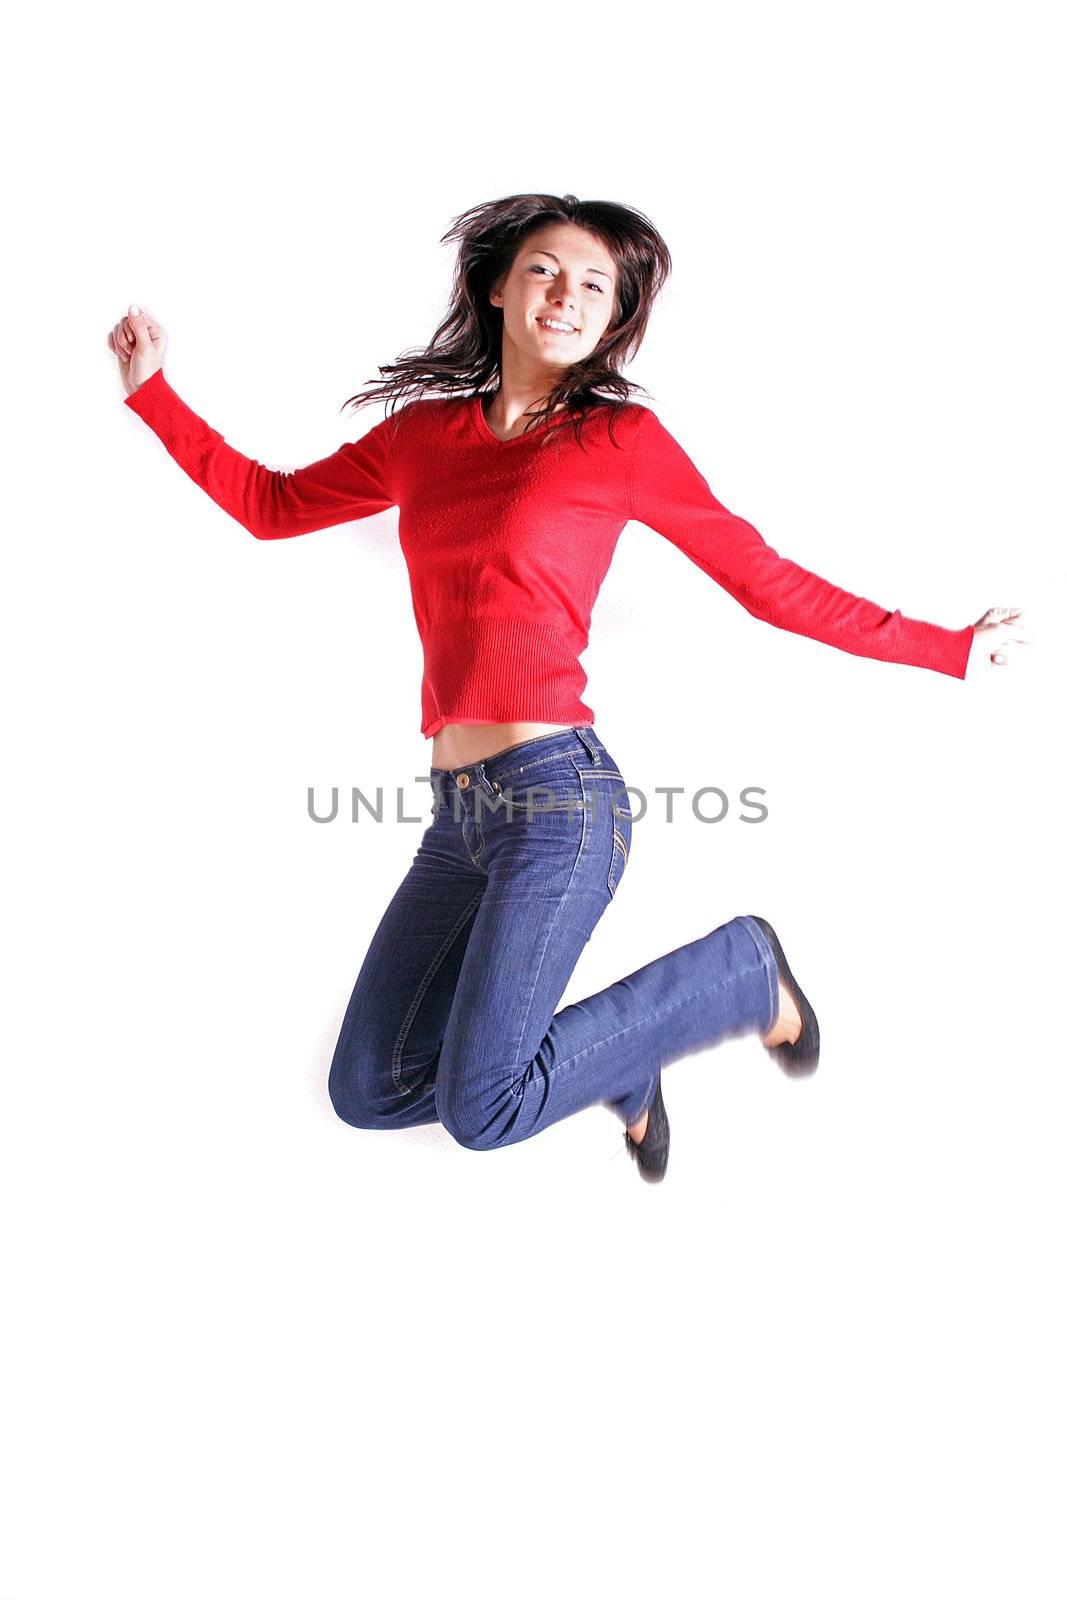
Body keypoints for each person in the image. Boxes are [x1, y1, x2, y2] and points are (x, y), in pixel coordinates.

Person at [109, 192, 1034, 1183]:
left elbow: (762, 582)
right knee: (367, 1085)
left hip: (558, 801)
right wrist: (154, 392)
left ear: (614, 316)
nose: (567, 293)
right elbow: (270, 506)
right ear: (501, 286)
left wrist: (944, 646)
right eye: (546, 269)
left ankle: (738, 971)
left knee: (483, 1109)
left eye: (596, 283)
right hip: (456, 814)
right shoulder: (419, 439)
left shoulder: (617, 443)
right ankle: (620, 1062)